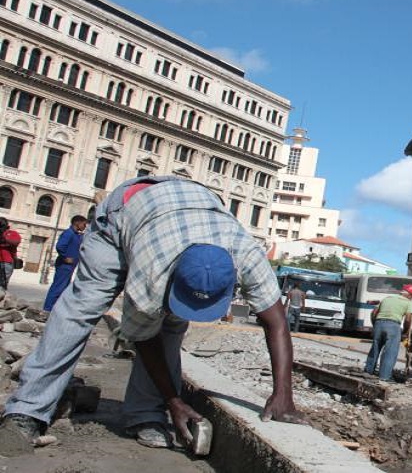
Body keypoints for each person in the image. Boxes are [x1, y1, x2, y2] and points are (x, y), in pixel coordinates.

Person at [3, 176, 301, 449]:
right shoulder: (151, 269)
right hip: (124, 214)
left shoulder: (248, 256)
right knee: (81, 308)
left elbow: (275, 323)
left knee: (172, 325)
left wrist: (283, 393)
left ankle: (145, 415)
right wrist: (174, 400)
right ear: (171, 277)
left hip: (186, 210)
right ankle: (26, 411)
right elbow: (143, 337)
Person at [364, 284, 412, 382]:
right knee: (390, 352)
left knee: (375, 348)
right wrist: (405, 332)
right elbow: (408, 319)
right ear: (409, 295)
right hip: (393, 325)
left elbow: (374, 313)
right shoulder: (408, 303)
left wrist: (375, 325)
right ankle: (384, 376)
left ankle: (368, 371)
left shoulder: (386, 298)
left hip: (379, 323)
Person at [42, 215, 88, 313]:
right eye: (84, 224)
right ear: (77, 223)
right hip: (65, 265)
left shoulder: (76, 235)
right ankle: (47, 309)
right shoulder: (69, 233)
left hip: (70, 266)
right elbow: (60, 246)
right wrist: (65, 257)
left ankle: (55, 309)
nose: (85, 226)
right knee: (58, 287)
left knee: (63, 288)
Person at [0, 217, 22, 300]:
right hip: (6, 263)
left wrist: (3, 237)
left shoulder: (11, 234)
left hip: (6, 262)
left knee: (2, 285)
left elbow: (16, 241)